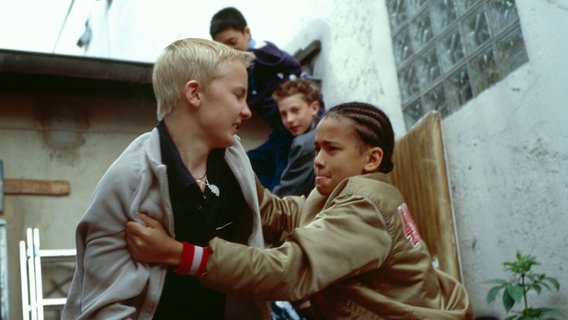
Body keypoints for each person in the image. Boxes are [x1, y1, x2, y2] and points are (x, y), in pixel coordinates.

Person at [125, 102, 474, 319]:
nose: (318, 160)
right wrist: (226, 155)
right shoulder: (338, 195)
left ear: (372, 159)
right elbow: (281, 213)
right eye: (317, 148)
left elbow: (289, 270)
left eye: (332, 149)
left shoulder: (365, 205)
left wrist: (180, 254)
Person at [62, 38, 270, 319]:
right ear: (194, 93)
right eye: (238, 95)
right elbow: (102, 308)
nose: (246, 110)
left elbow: (273, 223)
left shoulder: (236, 161)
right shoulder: (128, 181)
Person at [210, 7, 319, 191]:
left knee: (281, 174)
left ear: (246, 32)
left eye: (232, 42)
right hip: (279, 131)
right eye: (223, 46)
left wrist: (294, 87)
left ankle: (277, 208)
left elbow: (293, 65)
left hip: (290, 133)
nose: (229, 50)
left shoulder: (261, 52)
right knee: (248, 162)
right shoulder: (240, 68)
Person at [271, 78, 321, 198]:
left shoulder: (305, 143)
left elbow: (286, 194)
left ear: (314, 108)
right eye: (283, 114)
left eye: (295, 110)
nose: (289, 120)